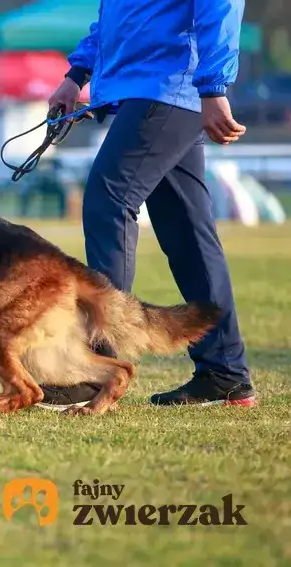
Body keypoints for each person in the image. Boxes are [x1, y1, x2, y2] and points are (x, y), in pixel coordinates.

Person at [38, 0, 256, 409]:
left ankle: (94, 371)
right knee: (187, 234)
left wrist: (214, 87)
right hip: (155, 87)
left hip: (171, 86)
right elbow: (118, 16)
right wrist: (77, 73)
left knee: (109, 200)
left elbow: (221, 5)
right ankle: (224, 372)